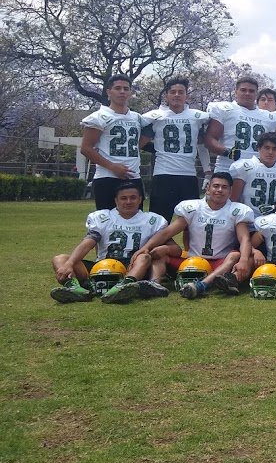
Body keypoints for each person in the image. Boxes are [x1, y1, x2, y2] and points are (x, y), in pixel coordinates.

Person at [50, 181, 174, 304]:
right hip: (101, 268)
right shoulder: (104, 217)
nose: (128, 202)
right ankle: (75, 289)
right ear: (116, 200)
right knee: (59, 259)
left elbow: (175, 248)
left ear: (140, 199)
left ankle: (125, 286)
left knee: (144, 257)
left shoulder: (153, 220)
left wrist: (163, 249)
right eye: (124, 198)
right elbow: (88, 242)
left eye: (133, 198)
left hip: (133, 268)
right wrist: (70, 263)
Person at [137, 172, 256, 299]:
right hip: (192, 261)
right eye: (216, 186)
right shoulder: (193, 207)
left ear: (230, 190)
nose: (219, 190)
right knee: (160, 253)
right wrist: (146, 247)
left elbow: (244, 238)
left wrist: (243, 260)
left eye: (224, 187)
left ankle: (201, 286)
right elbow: (168, 232)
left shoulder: (237, 210)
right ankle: (155, 284)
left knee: (235, 255)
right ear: (208, 188)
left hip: (220, 261)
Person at [140, 77, 210, 221]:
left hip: (188, 175)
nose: (177, 95)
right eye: (173, 92)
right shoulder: (155, 116)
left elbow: (202, 145)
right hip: (163, 174)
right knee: (159, 222)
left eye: (181, 92)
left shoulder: (197, 117)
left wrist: (207, 171)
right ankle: (159, 245)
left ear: (186, 95)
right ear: (166, 95)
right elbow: (139, 144)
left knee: (193, 222)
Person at [80, 74, 145, 209]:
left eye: (126, 89)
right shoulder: (99, 117)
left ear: (130, 92)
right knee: (107, 224)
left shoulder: (137, 118)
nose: (122, 92)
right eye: (118, 88)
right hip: (107, 177)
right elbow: (86, 148)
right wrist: (112, 166)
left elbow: (137, 143)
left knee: (136, 224)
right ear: (109, 92)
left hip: (134, 177)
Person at [204, 75, 276, 174]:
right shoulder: (225, 109)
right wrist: (227, 152)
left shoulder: (269, 118)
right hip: (227, 168)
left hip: (256, 171)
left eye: (251, 91)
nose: (247, 93)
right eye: (243, 90)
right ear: (236, 92)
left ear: (256, 94)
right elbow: (209, 139)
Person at [229, 132, 276, 217]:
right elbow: (234, 199)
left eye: (274, 149)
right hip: (248, 219)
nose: (270, 152)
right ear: (258, 148)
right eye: (267, 148)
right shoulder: (244, 167)